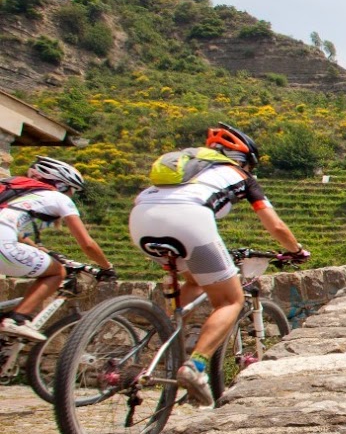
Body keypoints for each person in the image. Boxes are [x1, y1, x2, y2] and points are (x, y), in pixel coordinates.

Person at [129, 124, 308, 406]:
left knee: (194, 281)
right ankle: (196, 366)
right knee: (229, 300)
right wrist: (296, 250)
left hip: (141, 217)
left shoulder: (191, 167)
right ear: (244, 160)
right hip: (190, 220)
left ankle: (169, 345)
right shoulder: (242, 176)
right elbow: (275, 225)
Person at [0, 158, 115, 342]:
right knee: (57, 272)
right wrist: (106, 267)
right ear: (61, 185)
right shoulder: (59, 198)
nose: (71, 195)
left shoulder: (16, 194)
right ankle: (17, 319)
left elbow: (16, 232)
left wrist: (41, 250)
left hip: (5, 239)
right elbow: (87, 244)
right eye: (72, 190)